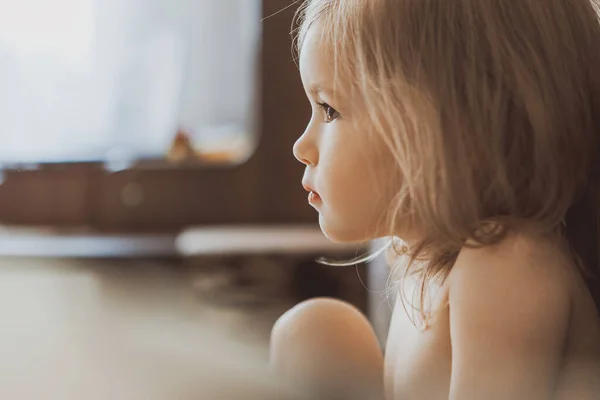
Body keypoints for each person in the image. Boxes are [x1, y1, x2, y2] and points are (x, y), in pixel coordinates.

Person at [270, 1, 600, 399]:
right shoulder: (418, 263)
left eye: (330, 110)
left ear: (453, 130)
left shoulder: (507, 265)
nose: (301, 146)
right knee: (311, 334)